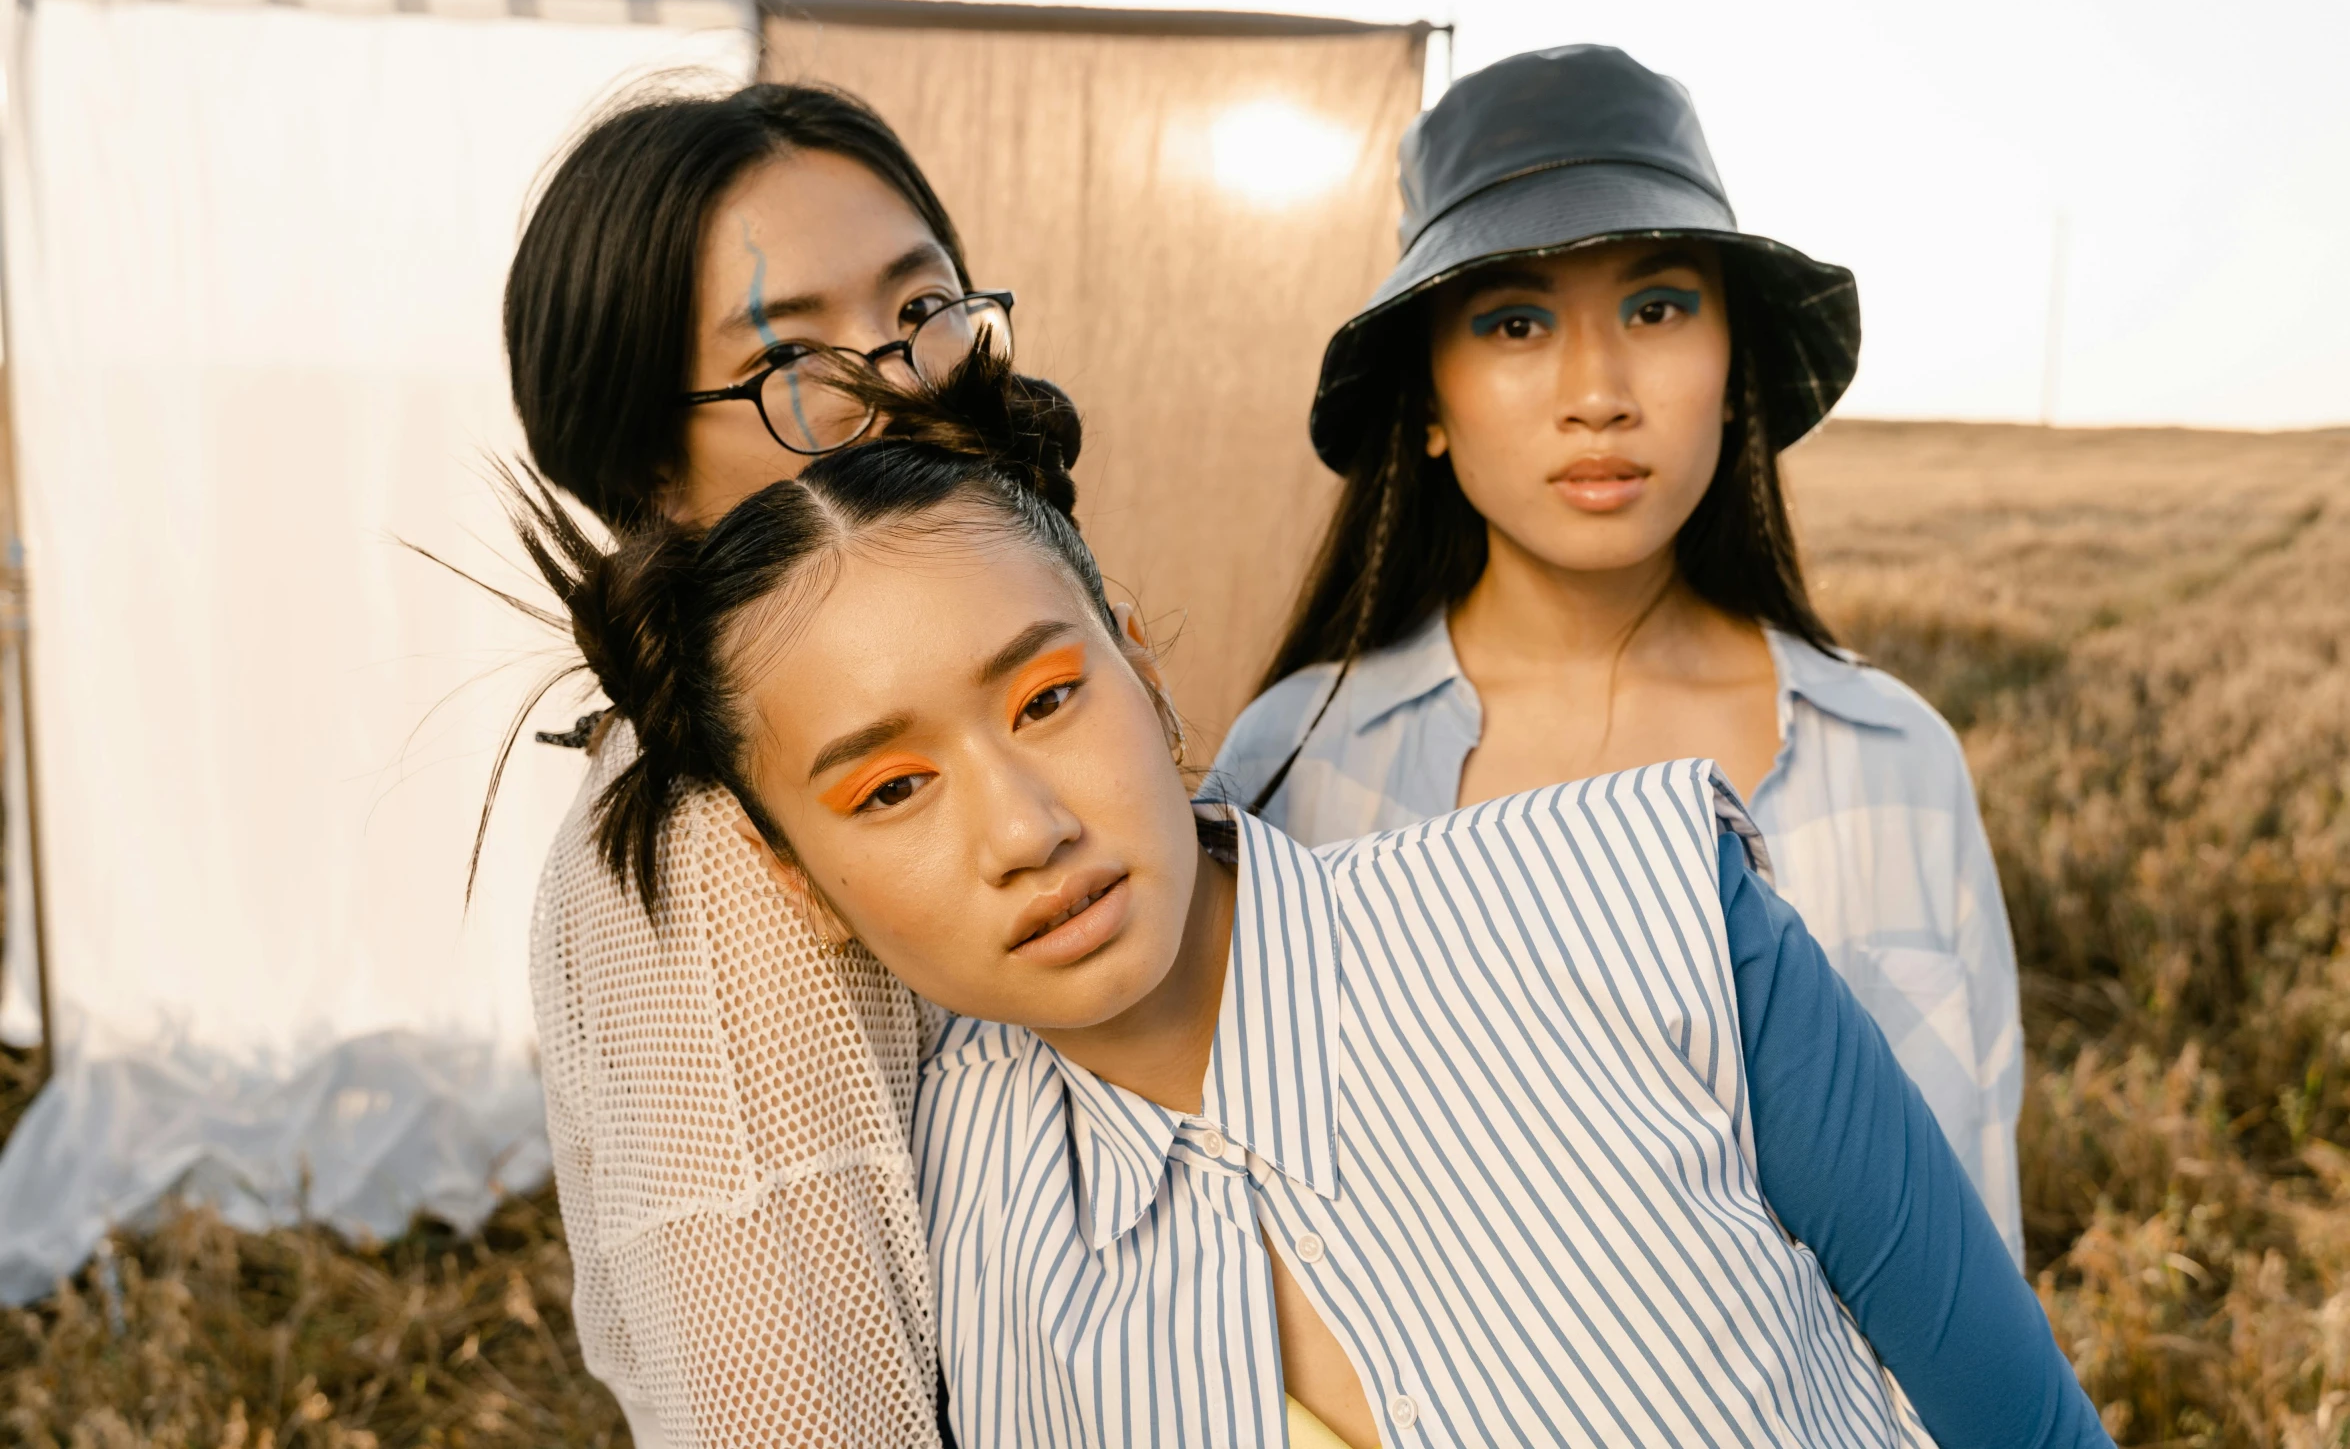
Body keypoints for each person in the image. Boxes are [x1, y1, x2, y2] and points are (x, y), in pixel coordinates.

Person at [503, 353, 2110, 1449]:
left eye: (1048, 696)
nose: (1024, 824)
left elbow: (2015, 1418)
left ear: (1144, 666)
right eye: (887, 788)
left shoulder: (1640, 904)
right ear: (800, 879)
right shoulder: (934, 1224)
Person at [1211, 44, 2026, 1261]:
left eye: (1655, 308)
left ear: (1733, 369)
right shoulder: (1295, 763)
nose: (1598, 391)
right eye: (1514, 320)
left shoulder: (1894, 757)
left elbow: (1975, 1229)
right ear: (1427, 403)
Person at [502, 80, 1014, 1448]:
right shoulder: (718, 845)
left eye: (921, 310)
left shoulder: (942, 712)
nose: (905, 383)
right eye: (792, 357)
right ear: (649, 468)